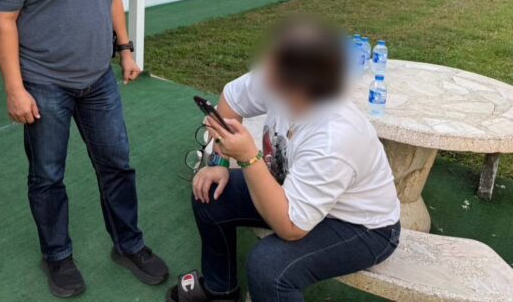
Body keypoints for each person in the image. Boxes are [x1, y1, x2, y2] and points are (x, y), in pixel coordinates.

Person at [0, 0, 169, 297]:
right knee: (48, 175)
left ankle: (128, 245)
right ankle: (57, 256)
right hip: (45, 82)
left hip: (98, 79)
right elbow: (4, 19)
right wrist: (14, 89)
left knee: (117, 165)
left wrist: (125, 49)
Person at [167, 18, 401, 302]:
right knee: (210, 192)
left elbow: (290, 228)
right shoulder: (277, 78)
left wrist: (248, 157)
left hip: (361, 225)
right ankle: (221, 291)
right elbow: (231, 98)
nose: (264, 74)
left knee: (268, 268)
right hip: (294, 191)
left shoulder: (333, 137)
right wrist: (219, 163)